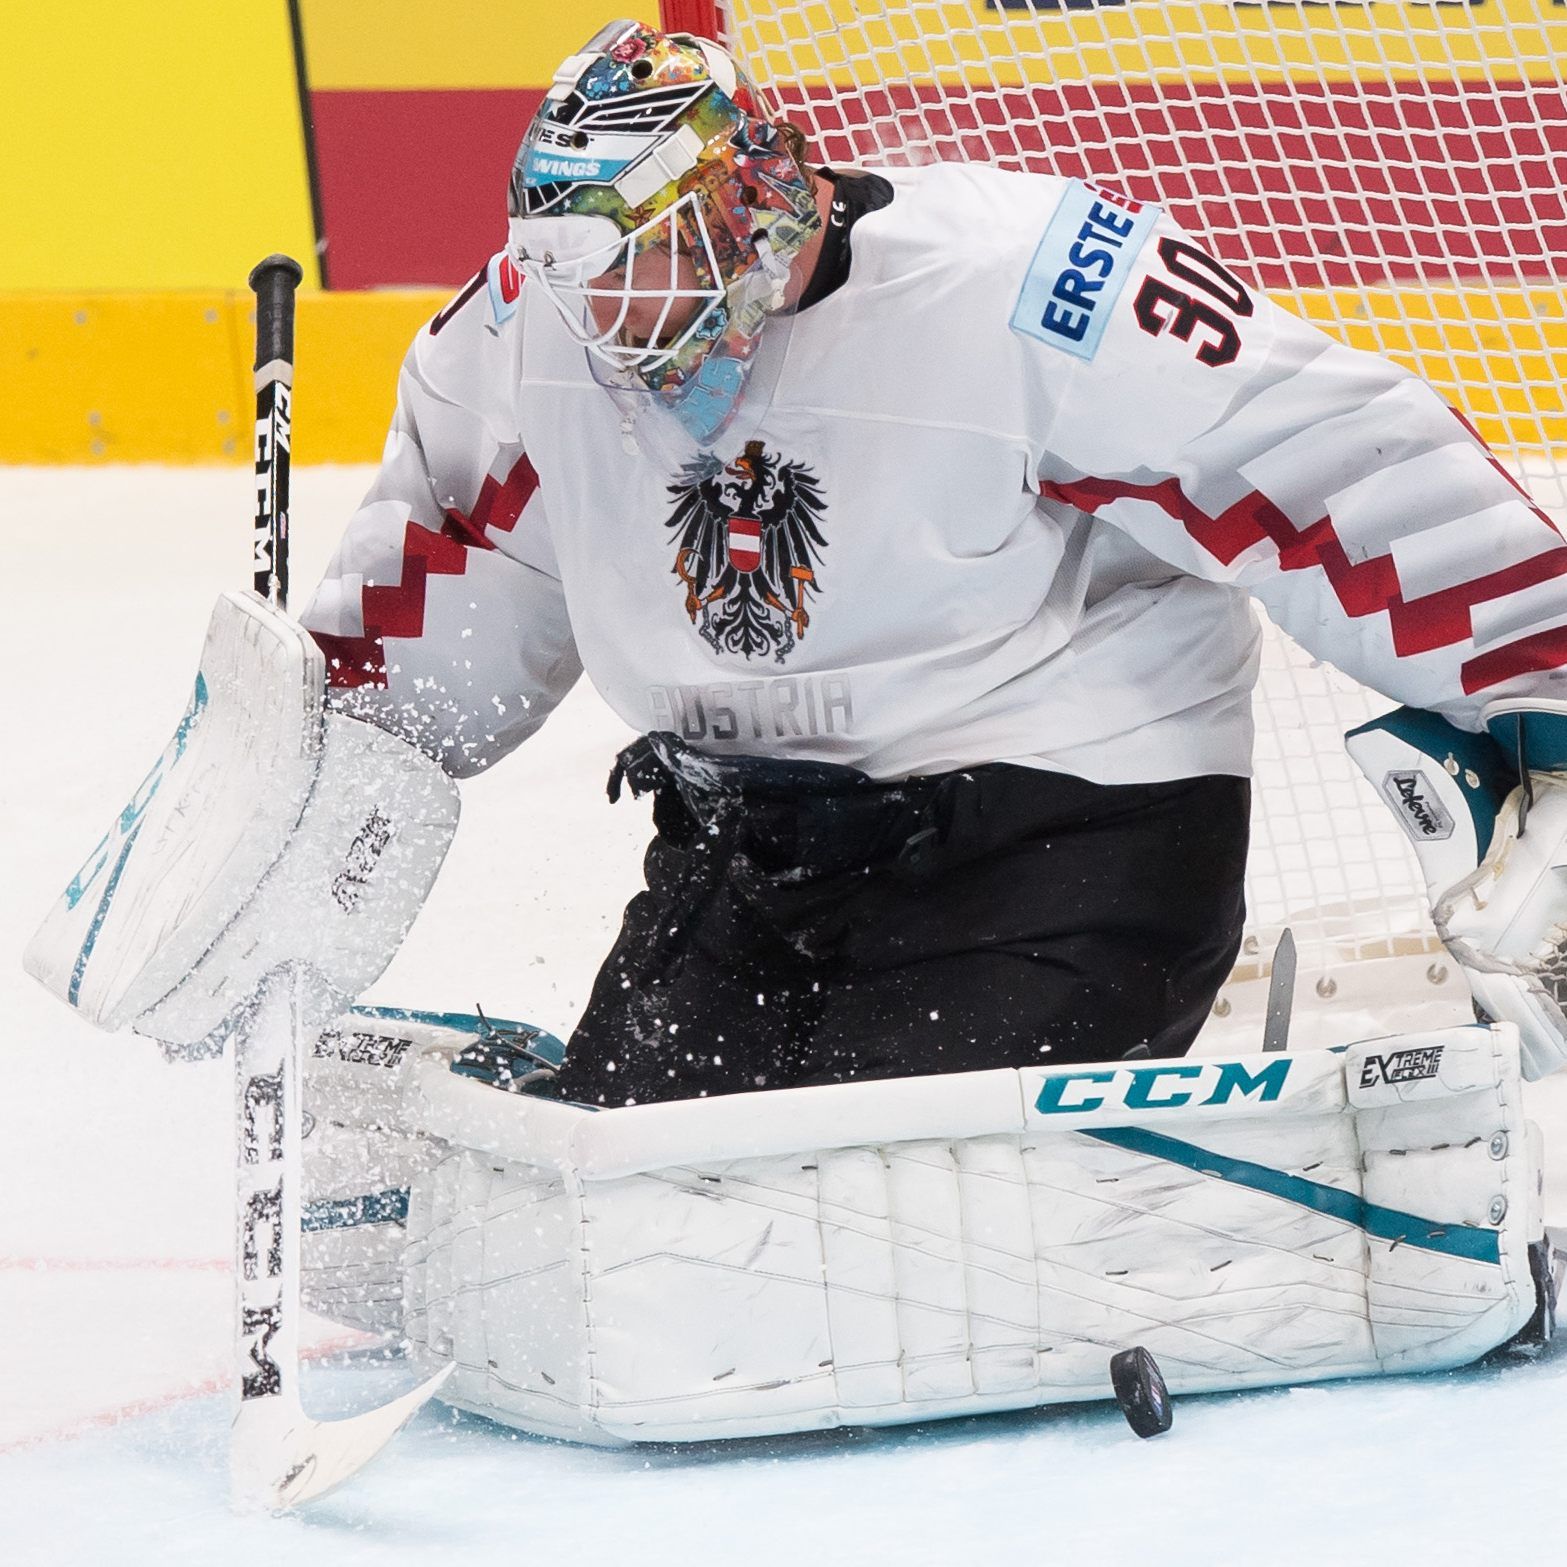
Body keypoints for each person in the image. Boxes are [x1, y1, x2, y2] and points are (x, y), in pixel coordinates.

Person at [302, 18, 1567, 1108]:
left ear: (750, 199)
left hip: (1061, 843)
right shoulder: (534, 334)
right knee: (625, 1181)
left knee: (870, 1197)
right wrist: (295, 782)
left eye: (648, 265)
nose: (619, 327)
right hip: (752, 860)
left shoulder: (1025, 287)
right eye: (586, 285)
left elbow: (1328, 467)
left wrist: (1551, 689)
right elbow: (438, 605)